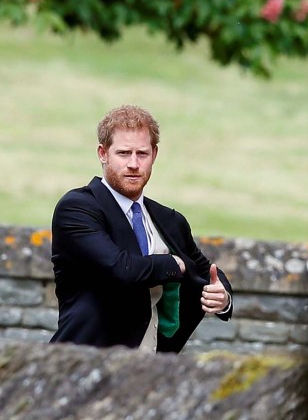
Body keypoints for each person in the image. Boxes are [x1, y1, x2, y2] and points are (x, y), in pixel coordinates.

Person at [49, 105, 232, 352]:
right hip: (84, 362)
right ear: (103, 153)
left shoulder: (170, 220)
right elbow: (121, 268)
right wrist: (173, 264)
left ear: (154, 155)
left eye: (142, 154)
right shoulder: (78, 208)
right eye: (124, 153)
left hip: (152, 368)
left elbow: (205, 270)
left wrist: (223, 297)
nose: (134, 164)